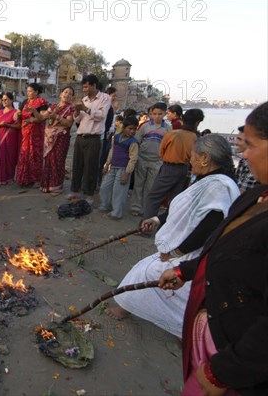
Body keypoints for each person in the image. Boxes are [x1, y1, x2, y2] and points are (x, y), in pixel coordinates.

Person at [158, 102, 268, 395]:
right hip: (220, 333)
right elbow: (222, 244)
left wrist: (222, 373)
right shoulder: (258, 194)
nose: (243, 155)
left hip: (241, 365)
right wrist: (186, 270)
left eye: (251, 145)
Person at [108, 134, 240, 339]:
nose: (190, 160)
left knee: (146, 272)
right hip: (184, 250)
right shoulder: (208, 181)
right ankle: (131, 308)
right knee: (144, 270)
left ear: (205, 158)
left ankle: (185, 329)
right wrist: (157, 220)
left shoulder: (218, 186)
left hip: (192, 254)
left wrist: (176, 252)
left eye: (193, 156)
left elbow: (208, 226)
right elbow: (183, 208)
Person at [142, 109, 203, 219]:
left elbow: (161, 153)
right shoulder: (196, 137)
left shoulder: (172, 134)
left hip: (169, 167)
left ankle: (146, 227)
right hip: (185, 170)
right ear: (197, 123)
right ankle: (165, 227)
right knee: (175, 201)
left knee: (154, 197)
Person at [68, 75, 112, 205]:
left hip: (94, 138)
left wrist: (85, 108)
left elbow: (101, 116)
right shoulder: (84, 99)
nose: (85, 89)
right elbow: (78, 119)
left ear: (94, 85)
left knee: (91, 167)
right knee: (77, 165)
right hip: (80, 136)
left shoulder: (105, 98)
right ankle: (74, 190)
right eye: (84, 86)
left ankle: (89, 193)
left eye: (87, 86)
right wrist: (76, 111)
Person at [130, 102, 172, 216]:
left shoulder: (168, 128)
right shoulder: (145, 126)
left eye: (159, 114)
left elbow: (169, 145)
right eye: (154, 114)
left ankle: (145, 208)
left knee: (150, 186)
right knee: (138, 184)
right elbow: (137, 141)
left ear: (164, 114)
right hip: (142, 158)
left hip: (157, 161)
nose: (156, 116)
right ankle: (135, 206)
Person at [99, 116, 139, 219]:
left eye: (135, 129)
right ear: (124, 128)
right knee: (104, 187)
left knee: (119, 192)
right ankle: (105, 205)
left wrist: (127, 173)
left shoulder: (133, 142)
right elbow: (112, 151)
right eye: (130, 128)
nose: (133, 131)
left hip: (123, 170)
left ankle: (116, 213)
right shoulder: (116, 137)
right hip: (113, 167)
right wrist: (107, 164)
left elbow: (133, 159)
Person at [39, 86, 75, 195]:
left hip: (61, 137)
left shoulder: (70, 108)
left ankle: (56, 186)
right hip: (50, 137)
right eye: (65, 92)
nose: (67, 94)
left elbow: (69, 123)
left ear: (72, 97)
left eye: (70, 93)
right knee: (48, 160)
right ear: (60, 94)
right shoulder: (54, 106)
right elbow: (43, 117)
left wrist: (57, 117)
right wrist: (34, 112)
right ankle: (46, 185)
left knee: (58, 161)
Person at [15, 83, 49, 187]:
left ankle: (36, 179)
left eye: (30, 91)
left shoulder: (41, 102)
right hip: (25, 131)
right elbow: (18, 112)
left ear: (36, 92)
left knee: (35, 154)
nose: (28, 93)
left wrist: (33, 116)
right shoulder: (25, 101)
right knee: (25, 154)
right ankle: (25, 178)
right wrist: (17, 114)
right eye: (28, 91)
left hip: (36, 133)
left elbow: (42, 117)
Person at [0, 92, 20, 185]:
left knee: (9, 156)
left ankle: (9, 177)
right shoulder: (0, 112)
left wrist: (7, 125)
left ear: (11, 100)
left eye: (6, 99)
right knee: (0, 156)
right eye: (2, 100)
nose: (4, 101)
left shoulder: (15, 112)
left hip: (10, 138)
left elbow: (19, 126)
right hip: (0, 136)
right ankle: (0, 177)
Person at [98, 86, 117, 186]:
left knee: (101, 160)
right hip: (103, 137)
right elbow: (108, 124)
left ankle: (97, 181)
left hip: (105, 136)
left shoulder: (109, 107)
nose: (114, 98)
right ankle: (97, 182)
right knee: (100, 160)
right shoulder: (108, 107)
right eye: (113, 96)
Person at [234, 125, 259, 192]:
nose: (235, 142)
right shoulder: (244, 161)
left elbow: (240, 193)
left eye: (239, 139)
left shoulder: (253, 164)